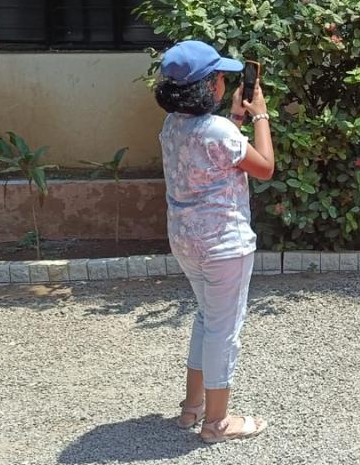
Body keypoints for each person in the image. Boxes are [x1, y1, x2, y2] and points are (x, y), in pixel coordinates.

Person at [155, 40, 274, 443]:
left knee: (207, 319)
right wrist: (260, 115)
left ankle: (192, 409)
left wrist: (236, 119)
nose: (223, 82)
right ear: (207, 86)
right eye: (219, 77)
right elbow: (265, 168)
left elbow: (216, 155)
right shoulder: (218, 131)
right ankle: (217, 423)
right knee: (224, 329)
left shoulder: (172, 125)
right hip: (224, 245)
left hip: (186, 241)